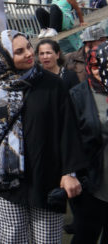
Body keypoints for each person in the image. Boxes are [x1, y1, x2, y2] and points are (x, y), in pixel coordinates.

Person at [0, 30, 86, 243]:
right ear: (2, 57)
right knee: (12, 239)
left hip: (46, 179)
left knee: (47, 239)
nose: (30, 53)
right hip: (7, 184)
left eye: (29, 47)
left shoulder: (52, 84)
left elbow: (68, 129)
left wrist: (70, 172)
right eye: (19, 51)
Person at [64, 43, 108, 242]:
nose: (100, 70)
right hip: (93, 182)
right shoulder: (79, 95)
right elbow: (68, 137)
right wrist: (69, 173)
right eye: (96, 65)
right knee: (86, 235)